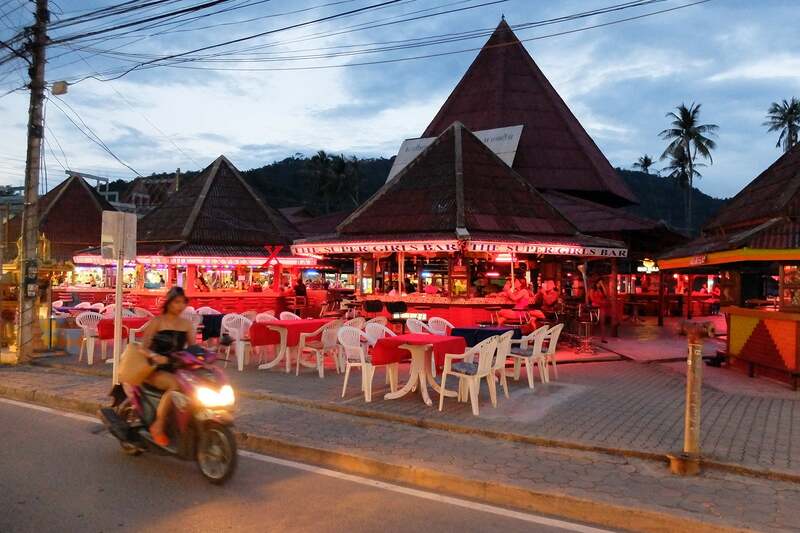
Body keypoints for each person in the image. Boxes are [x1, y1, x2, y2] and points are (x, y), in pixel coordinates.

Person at [138, 287, 196, 446]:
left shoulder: (187, 324)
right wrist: (155, 356)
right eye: (177, 302)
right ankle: (158, 425)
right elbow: (142, 348)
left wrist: (207, 355)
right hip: (155, 368)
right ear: (169, 303)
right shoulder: (157, 322)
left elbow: (194, 349)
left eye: (183, 302)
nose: (181, 306)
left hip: (177, 367)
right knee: (175, 386)